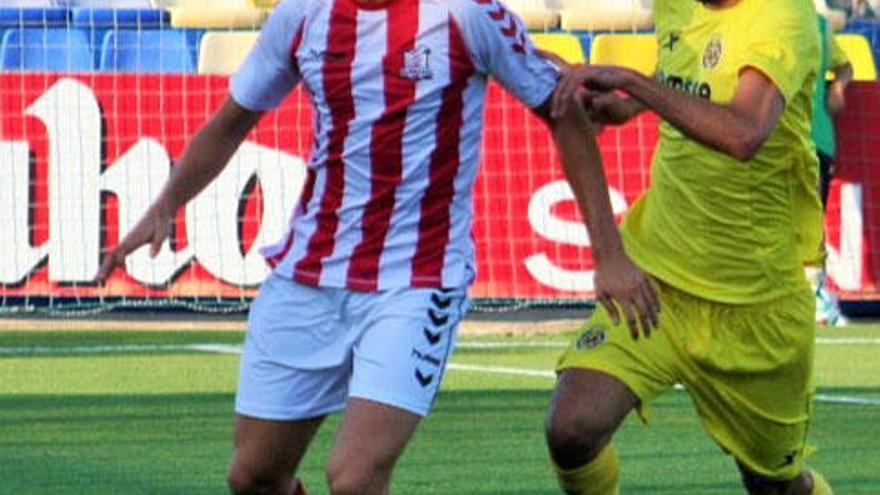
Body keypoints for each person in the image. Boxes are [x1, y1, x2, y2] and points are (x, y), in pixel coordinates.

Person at [95, 0, 659, 493]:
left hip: (417, 283)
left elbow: (563, 111)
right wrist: (166, 203)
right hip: (308, 276)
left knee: (355, 476)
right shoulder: (303, 16)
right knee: (252, 478)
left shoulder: (466, 14)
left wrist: (608, 255)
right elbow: (230, 121)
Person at [543, 0, 835, 493]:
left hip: (755, 306)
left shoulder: (784, 15)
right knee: (570, 430)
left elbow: (744, 133)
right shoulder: (675, 5)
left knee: (776, 486)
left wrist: (634, 84)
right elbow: (683, 66)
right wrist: (624, 106)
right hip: (656, 282)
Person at [810, 13, 853, 326]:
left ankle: (815, 294)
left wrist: (838, 87)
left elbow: (844, 64)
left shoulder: (818, 25)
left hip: (815, 140)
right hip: (770, 141)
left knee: (811, 220)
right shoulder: (751, 19)